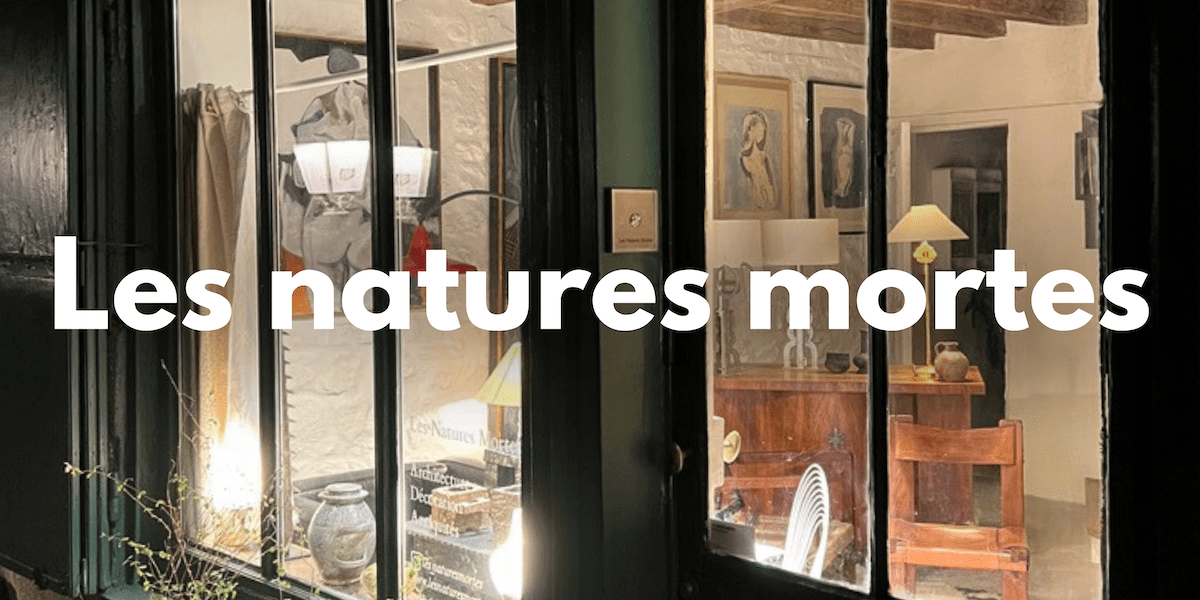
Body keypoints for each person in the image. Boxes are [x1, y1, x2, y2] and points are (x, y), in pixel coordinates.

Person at [739, 110, 778, 210]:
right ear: (750, 130)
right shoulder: (745, 158)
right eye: (760, 130)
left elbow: (770, 192)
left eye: (763, 130)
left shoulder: (763, 156)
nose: (763, 133)